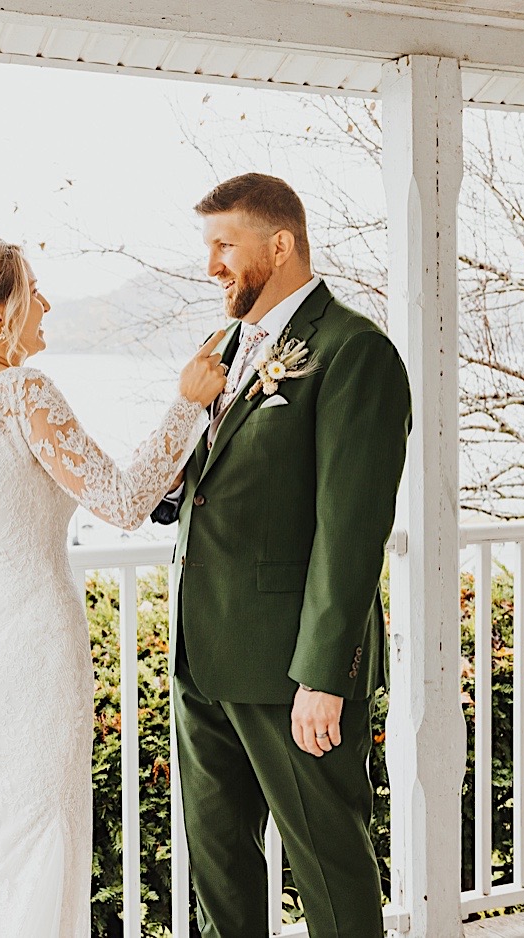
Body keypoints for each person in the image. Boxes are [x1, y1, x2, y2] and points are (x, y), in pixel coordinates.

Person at [0, 235, 227, 936]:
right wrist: (188, 403)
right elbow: (126, 500)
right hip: (30, 650)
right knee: (41, 837)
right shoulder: (22, 390)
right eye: (32, 290)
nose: (45, 303)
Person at [153, 174, 412, 938]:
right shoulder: (222, 349)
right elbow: (195, 490)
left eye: (223, 246)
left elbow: (351, 529)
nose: (211, 266)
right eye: (208, 248)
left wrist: (322, 676)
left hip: (295, 668)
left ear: (280, 245)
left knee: (329, 865)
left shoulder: (355, 351)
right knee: (219, 869)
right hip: (204, 656)